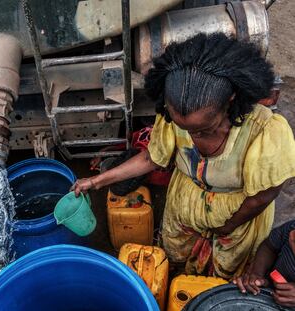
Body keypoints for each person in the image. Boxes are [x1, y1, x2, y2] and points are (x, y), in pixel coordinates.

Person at [72, 33, 295, 279]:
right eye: (184, 128)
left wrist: (227, 226)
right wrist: (95, 182)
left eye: (204, 129)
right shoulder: (174, 114)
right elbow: (151, 158)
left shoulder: (265, 133)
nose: (193, 136)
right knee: (176, 262)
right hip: (185, 205)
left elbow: (263, 196)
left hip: (236, 220)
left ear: (230, 100)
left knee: (221, 277)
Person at [233, 220, 295, 308]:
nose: (291, 236)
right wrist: (257, 273)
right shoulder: (292, 227)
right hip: (268, 295)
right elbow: (269, 246)